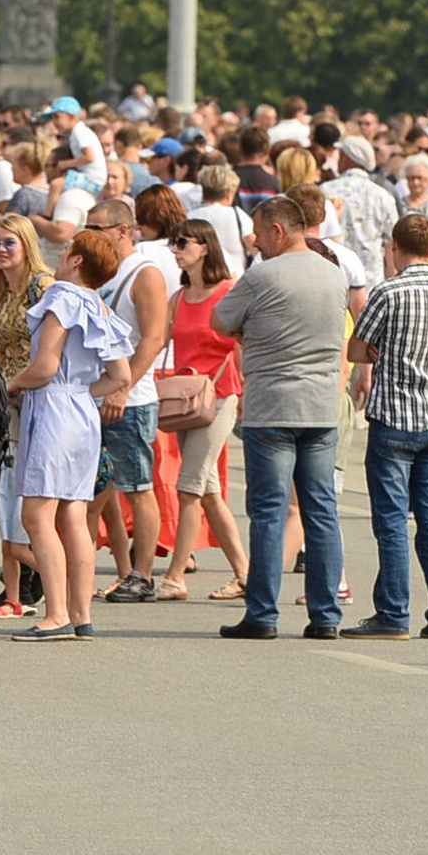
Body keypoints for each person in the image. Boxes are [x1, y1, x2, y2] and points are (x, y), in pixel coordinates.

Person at [214, 197, 351, 643]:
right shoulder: (334, 273)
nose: (254, 240)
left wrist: (249, 330)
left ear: (278, 229)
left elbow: (220, 319)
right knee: (321, 512)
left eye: (257, 231)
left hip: (272, 406)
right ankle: (326, 614)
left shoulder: (262, 275)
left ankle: (263, 613)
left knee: (270, 513)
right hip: (321, 406)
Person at [6, 232, 137, 641]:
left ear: (77, 261)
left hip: (53, 408)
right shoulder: (99, 304)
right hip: (81, 410)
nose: (59, 256)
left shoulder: (62, 297)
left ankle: (56, 614)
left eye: (65, 252)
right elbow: (121, 376)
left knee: (37, 514)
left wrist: (13, 383)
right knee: (75, 514)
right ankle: (80, 613)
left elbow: (44, 365)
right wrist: (84, 392)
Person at [344, 214, 428, 640]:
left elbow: (358, 348)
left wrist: (379, 348)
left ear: (394, 247)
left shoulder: (388, 291)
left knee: (392, 521)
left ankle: (394, 613)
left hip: (394, 415)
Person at [87, 197, 173, 604]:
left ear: (122, 230)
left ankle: (143, 575)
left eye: (97, 229)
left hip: (132, 398)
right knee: (99, 493)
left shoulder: (144, 273)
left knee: (137, 487)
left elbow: (154, 338)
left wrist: (122, 388)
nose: (89, 236)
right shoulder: (103, 271)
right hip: (98, 395)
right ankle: (121, 570)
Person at [165, 218, 254, 601]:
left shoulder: (227, 292)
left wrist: (247, 392)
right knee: (209, 492)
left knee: (188, 488)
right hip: (187, 400)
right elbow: (159, 338)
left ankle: (174, 577)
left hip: (219, 395)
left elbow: (242, 345)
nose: (176, 249)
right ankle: (246, 573)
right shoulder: (180, 298)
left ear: (205, 247)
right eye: (174, 242)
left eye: (183, 242)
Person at [0, 215, 59, 617]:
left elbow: (52, 348)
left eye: (9, 243)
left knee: (24, 494)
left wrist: (20, 384)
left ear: (27, 244)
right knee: (1, 490)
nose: (0, 250)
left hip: (37, 398)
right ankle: (14, 592)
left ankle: (49, 572)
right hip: (6, 400)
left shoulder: (41, 286)